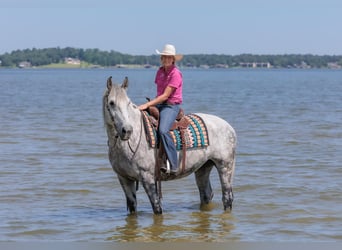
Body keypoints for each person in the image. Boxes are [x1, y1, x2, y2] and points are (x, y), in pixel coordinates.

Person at [138, 44, 183, 174]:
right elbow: (159, 93)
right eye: (164, 57)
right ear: (162, 58)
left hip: (171, 105)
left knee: (163, 130)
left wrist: (147, 105)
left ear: (173, 59)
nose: (166, 59)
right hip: (160, 103)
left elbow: (165, 96)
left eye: (169, 57)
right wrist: (149, 106)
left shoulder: (176, 74)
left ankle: (173, 163)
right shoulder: (160, 71)